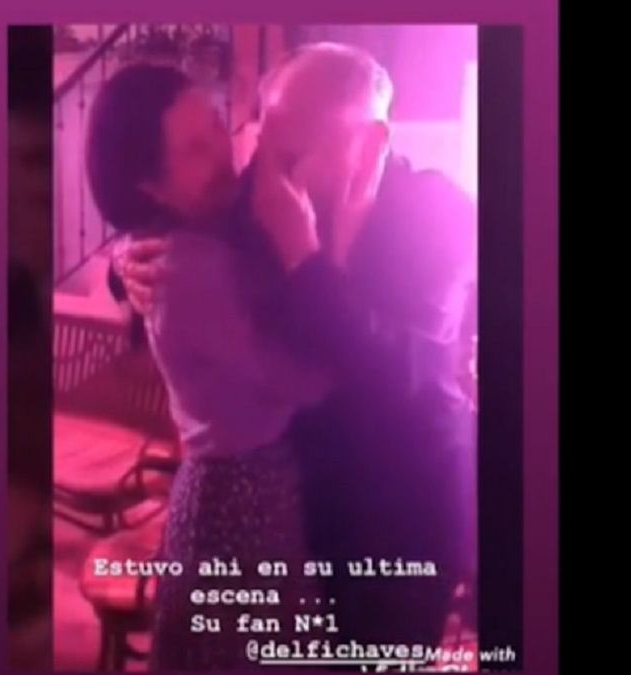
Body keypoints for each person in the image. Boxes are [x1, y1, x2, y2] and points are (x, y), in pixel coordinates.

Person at [115, 43, 478, 653]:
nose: (261, 170)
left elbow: (385, 372)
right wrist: (126, 262)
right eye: (264, 143)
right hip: (301, 502)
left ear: (370, 143)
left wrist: (307, 257)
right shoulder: (271, 186)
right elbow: (186, 242)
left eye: (288, 154)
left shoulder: (439, 215)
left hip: (401, 508)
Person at [85, 62, 327, 670]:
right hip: (240, 496)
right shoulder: (184, 266)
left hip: (243, 487)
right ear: (150, 186)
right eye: (195, 147)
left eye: (218, 124)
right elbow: (302, 380)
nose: (224, 152)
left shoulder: (217, 222)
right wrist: (328, 256)